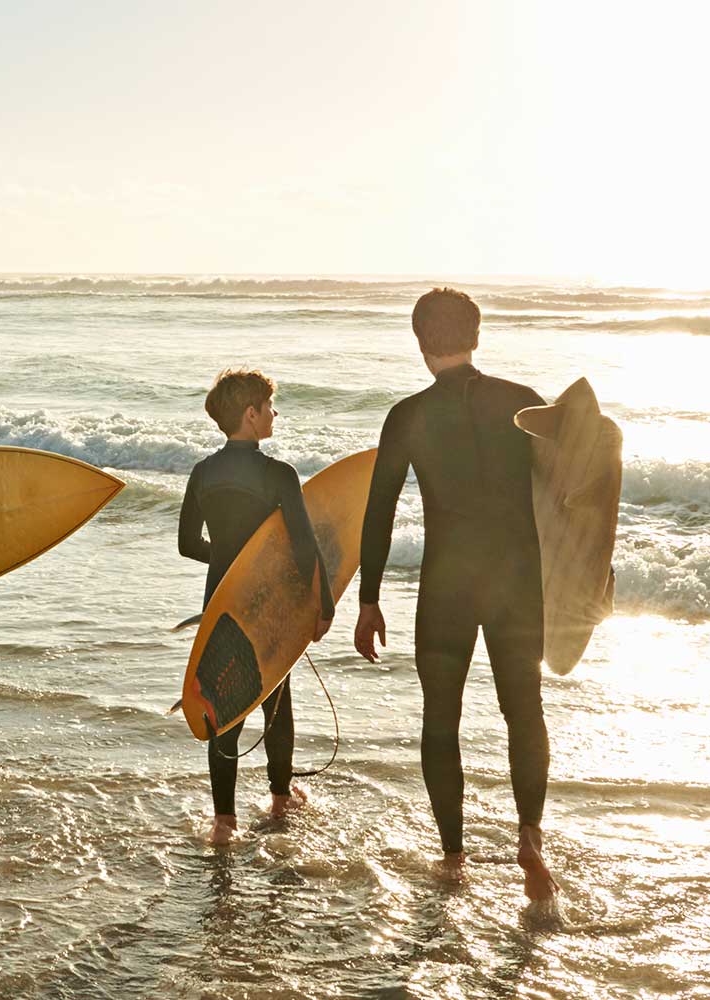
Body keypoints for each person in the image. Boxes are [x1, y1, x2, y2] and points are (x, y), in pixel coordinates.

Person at [355, 287, 555, 901]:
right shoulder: (525, 405)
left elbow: (379, 512)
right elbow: (570, 497)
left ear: (420, 344)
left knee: (441, 719)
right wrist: (584, 581)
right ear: (477, 333)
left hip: (445, 585)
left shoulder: (407, 416)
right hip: (517, 583)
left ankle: (451, 857)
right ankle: (528, 834)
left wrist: (368, 598)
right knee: (524, 708)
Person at [179, 369, 332, 845]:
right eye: (269, 407)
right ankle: (280, 798)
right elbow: (305, 548)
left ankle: (223, 821)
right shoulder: (279, 474)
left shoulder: (202, 472)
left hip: (220, 603)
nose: (274, 414)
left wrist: (230, 560)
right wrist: (321, 606)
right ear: (250, 414)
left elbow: (187, 544)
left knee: (223, 706)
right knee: (275, 700)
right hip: (269, 606)